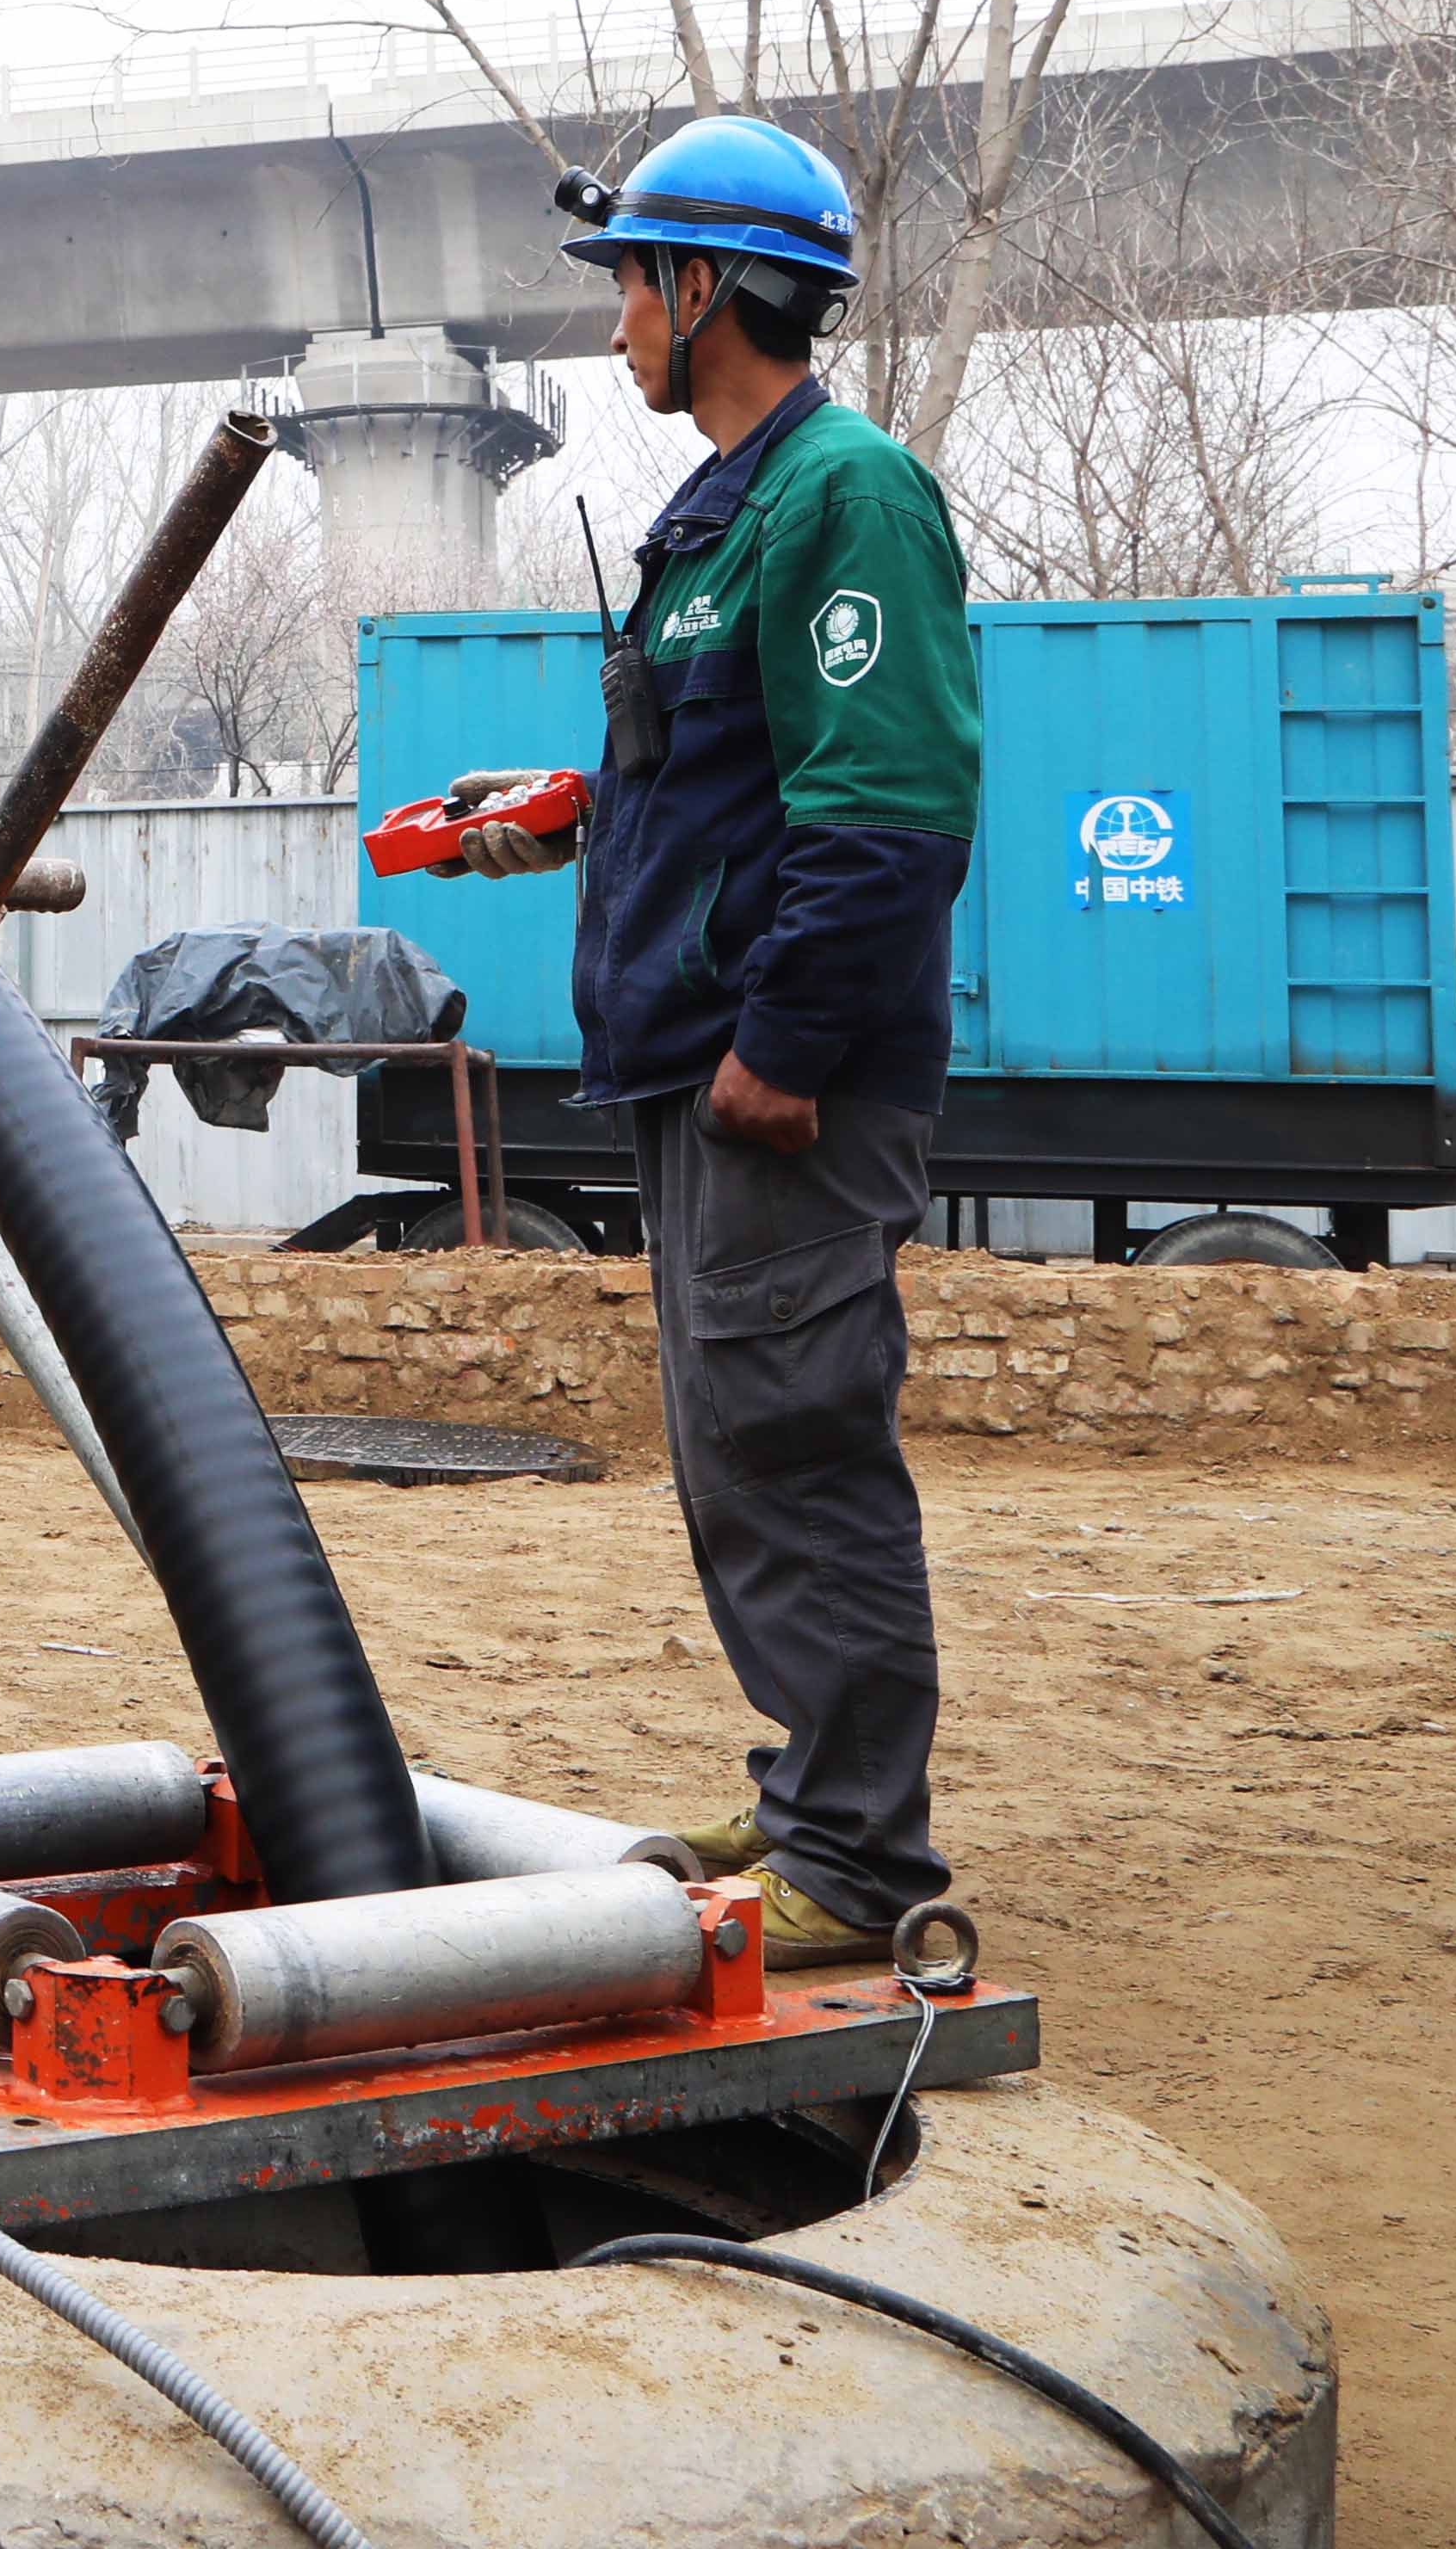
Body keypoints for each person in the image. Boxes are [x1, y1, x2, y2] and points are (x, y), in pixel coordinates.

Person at [442, 115, 978, 1966]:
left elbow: (892, 806)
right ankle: (811, 1795)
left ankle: (858, 1858)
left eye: (632, 290)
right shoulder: (726, 507)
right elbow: (743, 773)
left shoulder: (845, 497)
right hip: (703, 1057)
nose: (615, 335)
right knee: (736, 1441)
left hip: (780, 1081)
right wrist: (581, 800)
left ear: (707, 288)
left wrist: (790, 1038)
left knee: (799, 1432)